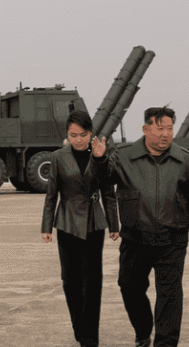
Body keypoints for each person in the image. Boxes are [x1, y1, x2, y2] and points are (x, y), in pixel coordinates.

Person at [91, 106, 189, 347]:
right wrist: (100, 158)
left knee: (170, 295)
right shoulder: (124, 156)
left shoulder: (184, 159)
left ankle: (165, 343)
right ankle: (143, 330)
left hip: (173, 238)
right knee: (129, 287)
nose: (165, 134)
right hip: (135, 238)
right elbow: (103, 177)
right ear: (145, 129)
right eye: (159, 129)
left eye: (169, 128)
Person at [41, 110, 119, 347]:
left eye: (83, 135)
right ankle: (79, 327)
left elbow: (108, 191)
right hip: (66, 224)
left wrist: (113, 223)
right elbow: (51, 194)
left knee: (91, 283)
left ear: (90, 133)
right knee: (70, 281)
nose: (78, 140)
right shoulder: (58, 157)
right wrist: (46, 226)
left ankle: (89, 338)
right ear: (67, 134)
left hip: (94, 224)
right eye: (73, 135)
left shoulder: (100, 155)